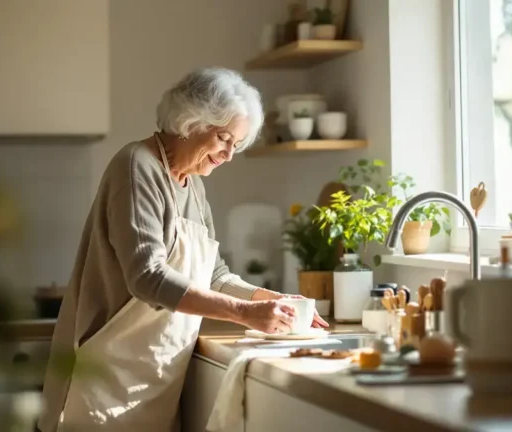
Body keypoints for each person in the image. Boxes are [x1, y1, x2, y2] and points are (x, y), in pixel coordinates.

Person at [38, 67, 327, 432]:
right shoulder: (136, 167)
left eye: (236, 145)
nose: (228, 155)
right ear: (193, 121)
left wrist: (271, 299)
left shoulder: (192, 185)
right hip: (108, 381)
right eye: (224, 138)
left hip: (155, 381)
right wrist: (244, 313)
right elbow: (147, 277)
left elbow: (216, 275)